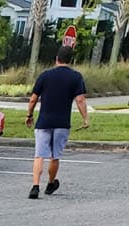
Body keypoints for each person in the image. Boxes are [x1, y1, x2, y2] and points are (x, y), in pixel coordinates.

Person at [26, 48, 90, 198]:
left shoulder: (45, 75)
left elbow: (33, 98)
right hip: (62, 123)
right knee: (55, 156)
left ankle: (35, 186)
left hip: (43, 122)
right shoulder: (76, 77)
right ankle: (50, 183)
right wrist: (85, 118)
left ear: (56, 58)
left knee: (39, 155)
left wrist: (29, 114)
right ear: (71, 60)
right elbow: (80, 100)